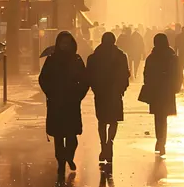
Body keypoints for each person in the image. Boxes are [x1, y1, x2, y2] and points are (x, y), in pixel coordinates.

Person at [39, 31, 89, 179]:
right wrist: (50, 93)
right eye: (62, 43)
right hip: (56, 102)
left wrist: (79, 95)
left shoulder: (77, 60)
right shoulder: (52, 60)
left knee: (72, 136)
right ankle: (61, 162)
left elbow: (85, 80)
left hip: (72, 102)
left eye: (67, 43)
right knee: (59, 136)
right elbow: (43, 79)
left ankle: (69, 157)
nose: (65, 45)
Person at [86, 32, 130, 166]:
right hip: (115, 93)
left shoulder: (94, 57)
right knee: (113, 120)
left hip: (101, 93)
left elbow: (89, 75)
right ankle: (109, 142)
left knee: (102, 121)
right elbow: (125, 74)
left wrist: (95, 88)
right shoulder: (121, 56)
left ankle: (103, 145)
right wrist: (122, 88)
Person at [139, 33, 181, 156]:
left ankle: (160, 140)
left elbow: (146, 74)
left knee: (158, 117)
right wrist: (176, 87)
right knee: (164, 117)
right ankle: (162, 141)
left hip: (156, 91)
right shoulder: (172, 57)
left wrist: (149, 86)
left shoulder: (152, 57)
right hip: (167, 91)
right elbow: (178, 74)